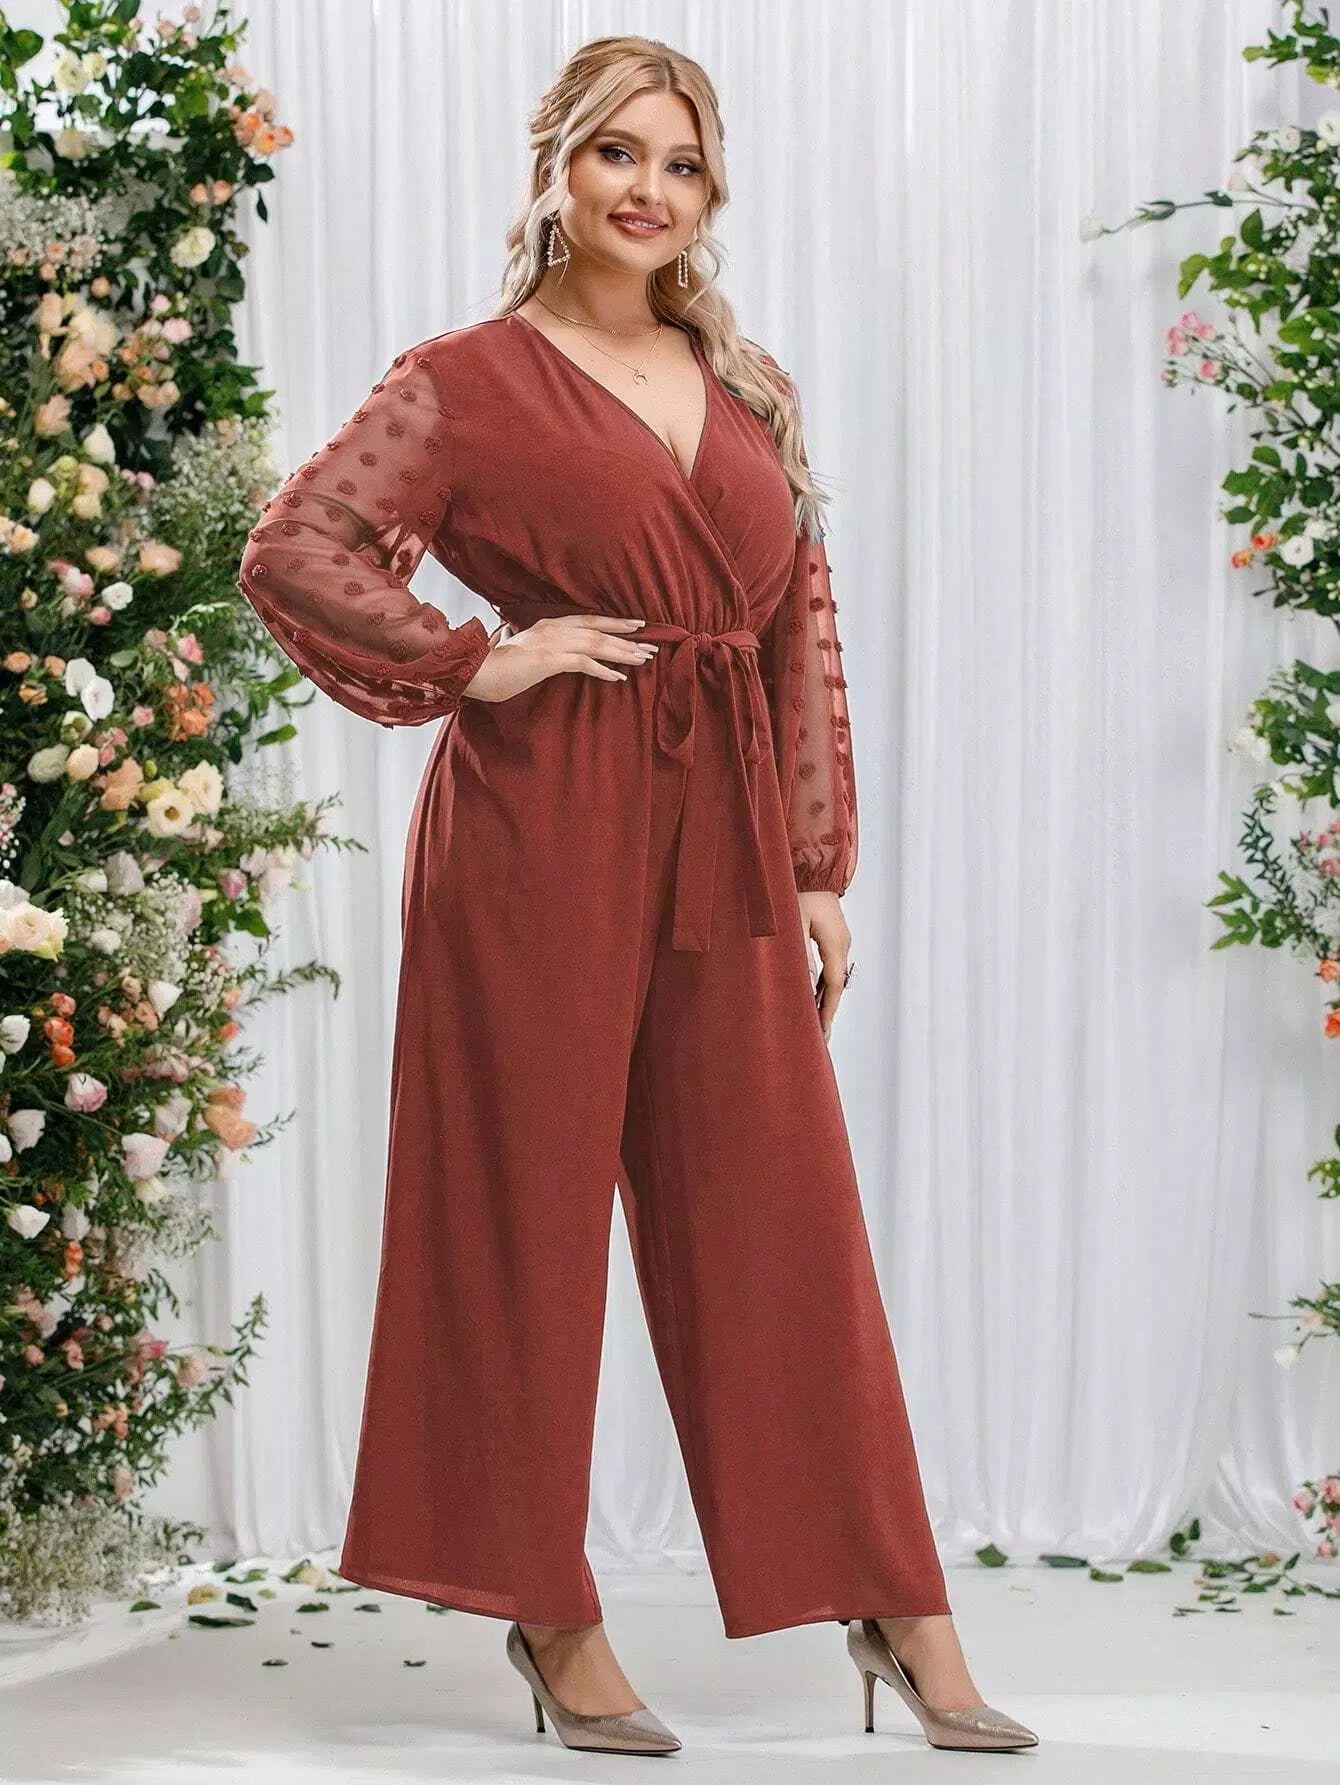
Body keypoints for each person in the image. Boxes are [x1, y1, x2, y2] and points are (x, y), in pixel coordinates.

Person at [236, 32, 1038, 1760]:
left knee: (779, 1212)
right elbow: (294, 548)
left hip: (725, 835)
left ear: (709, 191)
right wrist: (480, 656)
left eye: (681, 164)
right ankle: (549, 1607)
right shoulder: (462, 380)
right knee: (518, 1211)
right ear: (556, 169)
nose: (649, 191)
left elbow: (795, 623)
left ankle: (895, 1599)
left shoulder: (742, 380)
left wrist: (817, 864)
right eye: (619, 154)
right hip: (538, 826)